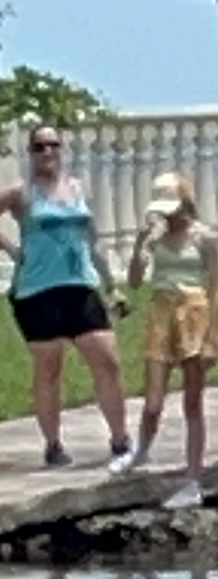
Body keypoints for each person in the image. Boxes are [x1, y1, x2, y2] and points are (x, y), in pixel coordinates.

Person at [3, 121, 134, 472]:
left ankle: (121, 439)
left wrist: (111, 284)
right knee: (49, 366)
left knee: (107, 360)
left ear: (62, 149)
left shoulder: (77, 187)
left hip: (79, 284)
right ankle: (52, 443)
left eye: (53, 145)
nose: (47, 152)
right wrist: (14, 252)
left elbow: (92, 240)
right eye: (39, 147)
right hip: (37, 289)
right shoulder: (21, 191)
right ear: (30, 152)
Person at [124, 170, 218, 508]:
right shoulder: (157, 237)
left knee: (192, 402)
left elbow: (216, 285)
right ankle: (141, 449)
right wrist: (141, 243)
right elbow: (135, 281)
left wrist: (213, 334)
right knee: (153, 400)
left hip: (194, 312)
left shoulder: (203, 237)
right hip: (161, 311)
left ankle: (193, 477)